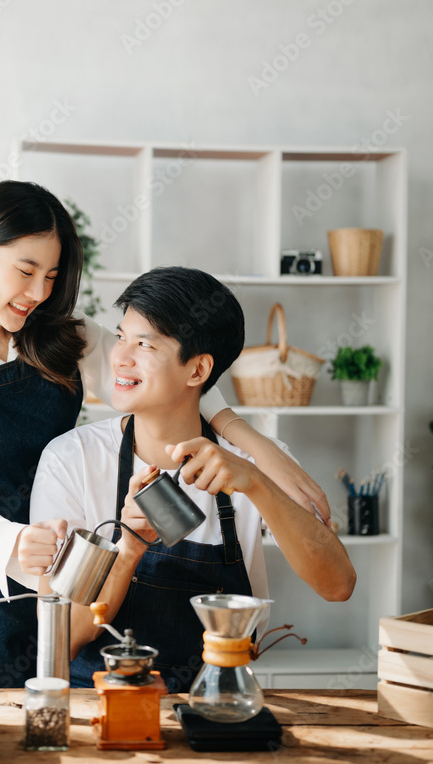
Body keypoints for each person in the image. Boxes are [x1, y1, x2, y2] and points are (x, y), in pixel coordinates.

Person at [0, 182, 332, 687]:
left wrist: (256, 449)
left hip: (88, 577)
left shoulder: (61, 336)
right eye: (26, 271)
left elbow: (168, 374)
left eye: (51, 276)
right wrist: (15, 540)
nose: (38, 293)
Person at [27, 266, 356, 692]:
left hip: (217, 707)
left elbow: (338, 586)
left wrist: (253, 482)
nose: (120, 357)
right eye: (122, 336)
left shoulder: (254, 463)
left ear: (198, 370)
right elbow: (65, 639)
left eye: (144, 344)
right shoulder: (72, 459)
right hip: (103, 710)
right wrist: (127, 550)